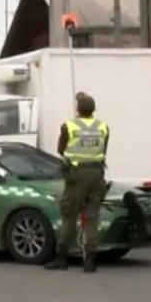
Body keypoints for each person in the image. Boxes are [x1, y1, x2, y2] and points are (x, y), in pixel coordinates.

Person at [44, 92, 110, 273]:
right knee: (91, 218)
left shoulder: (69, 126)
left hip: (76, 175)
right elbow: (104, 149)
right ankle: (90, 261)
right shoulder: (103, 127)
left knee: (69, 215)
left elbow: (61, 149)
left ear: (78, 109)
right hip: (96, 174)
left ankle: (62, 257)